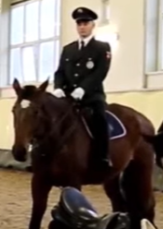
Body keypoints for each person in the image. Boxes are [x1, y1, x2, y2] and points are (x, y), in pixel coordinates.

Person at [51, 6, 112, 170]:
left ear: (92, 25)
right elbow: (60, 72)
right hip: (69, 97)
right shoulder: (68, 49)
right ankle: (45, 155)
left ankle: (102, 157)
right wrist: (58, 87)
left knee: (99, 119)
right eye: (79, 24)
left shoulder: (102, 47)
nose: (82, 27)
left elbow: (100, 72)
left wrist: (83, 89)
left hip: (92, 97)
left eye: (85, 23)